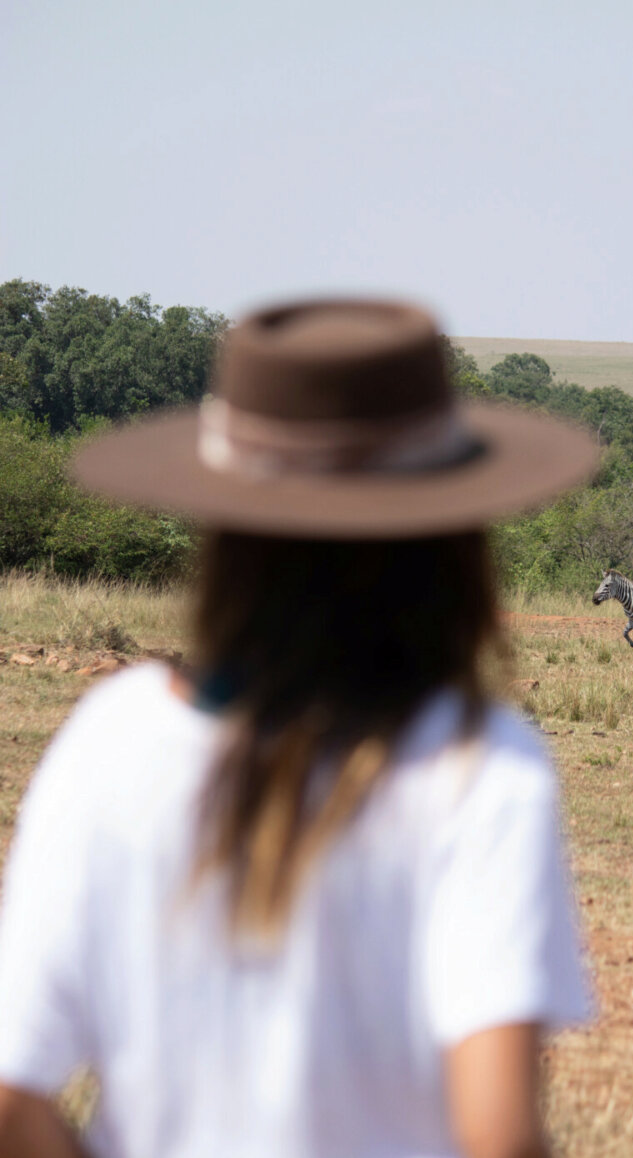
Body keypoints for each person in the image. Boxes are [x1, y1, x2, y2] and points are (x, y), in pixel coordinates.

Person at [0, 297, 597, 1158]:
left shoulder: (107, 739)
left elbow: (14, 1096)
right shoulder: (481, 765)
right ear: (451, 537)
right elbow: (499, 1135)